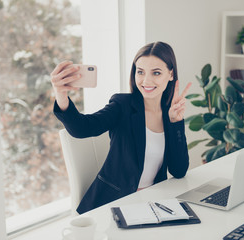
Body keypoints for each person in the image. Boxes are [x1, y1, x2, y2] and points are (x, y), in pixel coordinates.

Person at [51, 41, 192, 214]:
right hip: (114, 204)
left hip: (152, 203)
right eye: (140, 72)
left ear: (170, 74)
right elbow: (82, 129)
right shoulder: (122, 105)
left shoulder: (170, 113)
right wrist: (61, 95)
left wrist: (175, 122)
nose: (146, 80)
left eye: (156, 73)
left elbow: (178, 171)